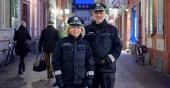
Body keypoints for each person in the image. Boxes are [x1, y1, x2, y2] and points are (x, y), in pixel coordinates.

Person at [84, 2, 122, 88]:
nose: (98, 15)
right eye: (96, 12)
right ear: (92, 14)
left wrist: (107, 59)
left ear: (105, 13)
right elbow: (83, 48)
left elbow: (118, 47)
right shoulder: (87, 30)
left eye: (101, 12)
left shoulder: (112, 30)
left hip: (107, 69)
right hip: (91, 69)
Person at [52, 16, 94, 88]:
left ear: (81, 29)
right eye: (73, 27)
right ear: (69, 29)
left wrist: (89, 80)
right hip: (66, 83)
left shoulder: (86, 44)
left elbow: (90, 63)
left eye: (78, 27)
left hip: (82, 82)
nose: (76, 29)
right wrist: (59, 80)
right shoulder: (61, 43)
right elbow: (56, 63)